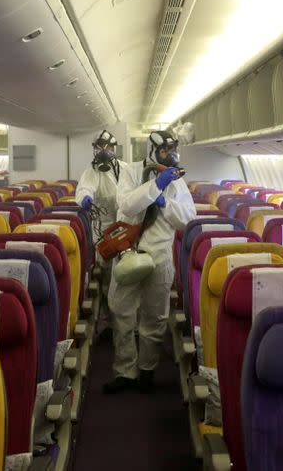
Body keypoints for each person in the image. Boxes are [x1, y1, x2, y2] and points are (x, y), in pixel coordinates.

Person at [103, 130, 195, 394]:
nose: (171, 156)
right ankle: (124, 372)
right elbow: (127, 204)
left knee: (155, 316)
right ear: (151, 151)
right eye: (165, 151)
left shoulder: (177, 180)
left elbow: (187, 217)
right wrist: (155, 187)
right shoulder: (131, 172)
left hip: (160, 254)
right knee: (121, 312)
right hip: (130, 252)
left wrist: (165, 203)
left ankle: (146, 370)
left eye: (173, 150)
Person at [76, 130, 125, 335]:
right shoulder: (91, 171)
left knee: (124, 277)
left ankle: (126, 321)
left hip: (122, 227)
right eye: (100, 147)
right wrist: (85, 198)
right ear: (95, 149)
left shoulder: (124, 169)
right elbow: (84, 189)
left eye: (109, 147)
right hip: (101, 229)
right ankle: (106, 320)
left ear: (114, 149)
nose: (105, 151)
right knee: (105, 277)